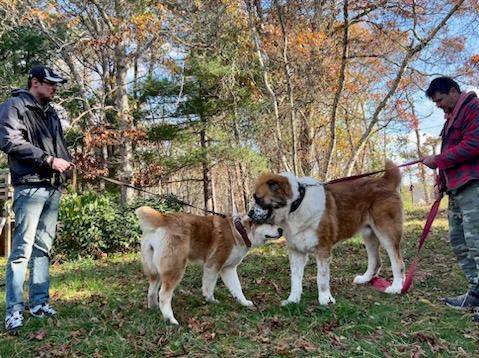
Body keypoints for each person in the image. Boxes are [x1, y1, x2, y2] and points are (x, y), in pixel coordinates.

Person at [0, 64, 72, 333]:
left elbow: (59, 145)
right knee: (21, 250)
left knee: (43, 248)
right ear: (35, 82)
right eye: (50, 83)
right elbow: (9, 141)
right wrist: (48, 160)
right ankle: (14, 310)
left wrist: (65, 163)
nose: (54, 88)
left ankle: (39, 303)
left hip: (52, 187)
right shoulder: (14, 106)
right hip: (29, 186)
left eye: (55, 83)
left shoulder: (51, 112)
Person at [422, 76, 479, 321]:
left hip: (473, 185)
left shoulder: (473, 109)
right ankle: (475, 293)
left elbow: (474, 144)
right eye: (435, 103)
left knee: (477, 242)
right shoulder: (450, 120)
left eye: (440, 100)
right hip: (455, 189)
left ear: (454, 92)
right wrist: (440, 181)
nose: (438, 106)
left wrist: (438, 160)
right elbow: (449, 154)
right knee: (459, 241)